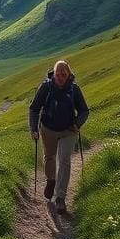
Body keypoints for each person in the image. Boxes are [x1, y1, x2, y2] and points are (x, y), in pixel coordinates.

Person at [28, 59, 89, 214]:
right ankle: (51, 181)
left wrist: (77, 124)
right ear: (53, 74)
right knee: (49, 157)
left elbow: (84, 110)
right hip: (48, 129)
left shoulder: (74, 89)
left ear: (69, 74)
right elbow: (34, 109)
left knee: (64, 161)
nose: (60, 77)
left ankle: (61, 197)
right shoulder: (46, 87)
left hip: (68, 130)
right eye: (58, 74)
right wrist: (33, 128)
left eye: (64, 74)